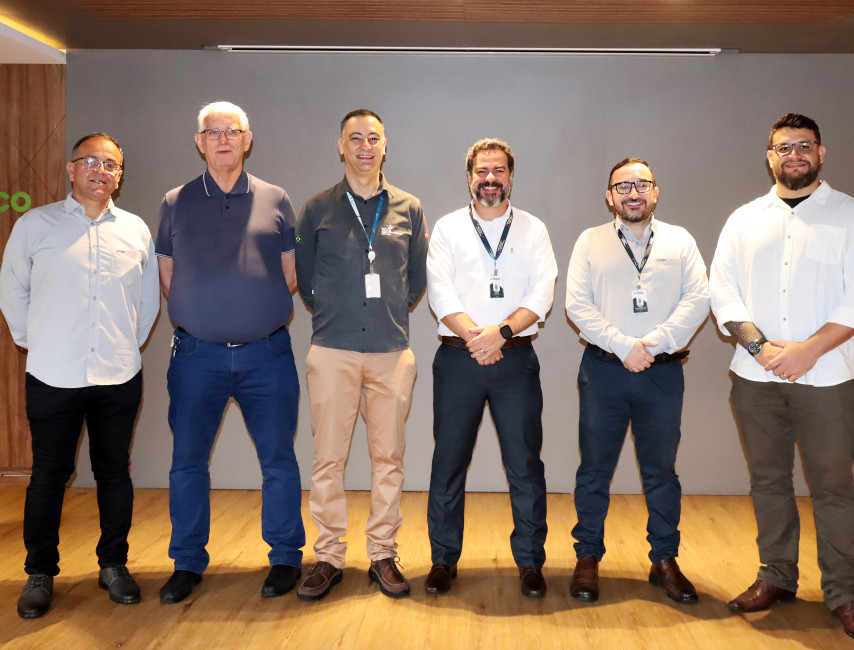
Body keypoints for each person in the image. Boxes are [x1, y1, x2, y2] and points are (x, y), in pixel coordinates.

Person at [709, 113, 854, 644]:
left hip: (826, 376)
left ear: (821, 153)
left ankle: (844, 594)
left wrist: (809, 351)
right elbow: (724, 292)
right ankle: (777, 578)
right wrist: (763, 349)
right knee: (768, 481)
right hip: (755, 376)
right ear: (769, 156)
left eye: (804, 146)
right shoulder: (744, 220)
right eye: (783, 147)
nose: (794, 155)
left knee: (833, 487)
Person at [0, 132, 159, 618]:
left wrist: (122, 348)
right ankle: (40, 573)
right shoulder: (36, 224)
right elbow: (12, 291)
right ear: (71, 170)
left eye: (110, 164)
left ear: (120, 175)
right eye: (90, 161)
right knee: (49, 474)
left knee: (114, 473)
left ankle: (113, 565)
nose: (100, 170)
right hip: (53, 374)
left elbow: (147, 302)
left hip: (117, 375)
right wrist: (38, 340)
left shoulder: (135, 230)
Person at [156, 101, 305, 604]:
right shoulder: (175, 202)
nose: (222, 139)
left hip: (268, 355)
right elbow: (168, 276)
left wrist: (250, 310)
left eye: (232, 131)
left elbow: (290, 273)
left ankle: (285, 556)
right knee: (187, 463)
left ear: (248, 139)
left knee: (279, 461)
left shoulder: (277, 198)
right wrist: (206, 315)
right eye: (212, 131)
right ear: (199, 141)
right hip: (197, 358)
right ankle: (188, 563)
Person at [295, 109, 428, 600]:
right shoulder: (316, 209)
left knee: (387, 458)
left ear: (384, 145)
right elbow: (306, 279)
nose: (365, 147)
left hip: (392, 353)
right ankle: (328, 557)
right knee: (327, 460)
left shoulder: (409, 208)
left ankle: (382, 554)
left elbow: (416, 280)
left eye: (373, 138)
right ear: (341, 146)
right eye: (356, 138)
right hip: (332, 351)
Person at [565, 157, 709, 604]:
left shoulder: (680, 241)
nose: (632, 193)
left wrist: (653, 344)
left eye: (641, 184)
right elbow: (577, 305)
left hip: (662, 375)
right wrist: (625, 346)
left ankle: (664, 559)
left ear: (655, 192)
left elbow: (699, 299)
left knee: (661, 472)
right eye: (622, 186)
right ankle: (587, 557)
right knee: (594, 471)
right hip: (604, 371)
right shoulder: (590, 242)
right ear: (609, 196)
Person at [424, 138, 557, 598]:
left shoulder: (534, 230)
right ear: (469, 177)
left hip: (514, 359)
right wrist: (476, 338)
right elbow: (440, 293)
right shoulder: (446, 228)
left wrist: (498, 335)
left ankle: (530, 563)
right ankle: (443, 559)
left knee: (524, 465)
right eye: (482, 171)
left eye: (498, 171)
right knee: (448, 463)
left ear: (511, 176)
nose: (490, 179)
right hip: (458, 359)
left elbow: (542, 294)